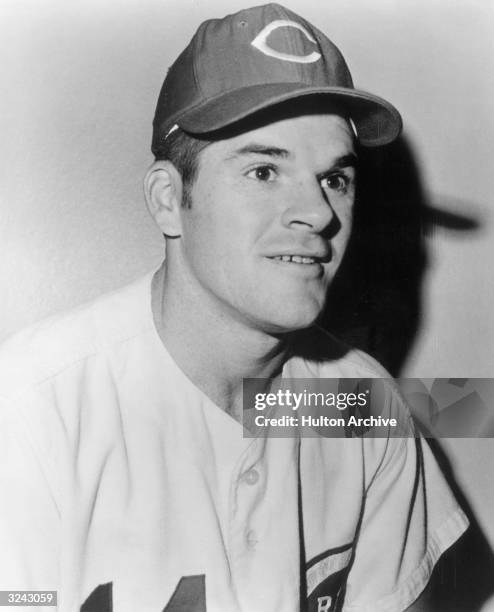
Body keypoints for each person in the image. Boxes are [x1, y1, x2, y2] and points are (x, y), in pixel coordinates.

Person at [0, 3, 468, 611]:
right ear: (169, 200)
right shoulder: (34, 408)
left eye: (336, 179)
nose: (320, 213)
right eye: (265, 170)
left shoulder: (358, 402)